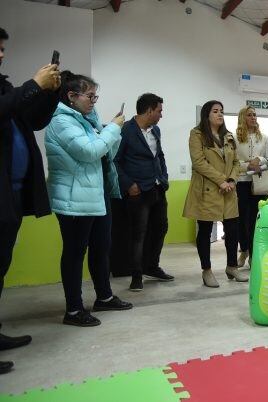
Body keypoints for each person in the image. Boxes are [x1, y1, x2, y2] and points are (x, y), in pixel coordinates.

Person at [45, 71, 133, 327]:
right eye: (90, 96)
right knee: (74, 254)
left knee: (101, 249)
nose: (94, 101)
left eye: (96, 96)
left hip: (97, 194)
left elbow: (106, 153)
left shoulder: (86, 120)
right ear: (72, 96)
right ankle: (73, 310)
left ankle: (104, 297)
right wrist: (114, 128)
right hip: (74, 200)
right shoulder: (61, 121)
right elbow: (89, 152)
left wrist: (109, 132)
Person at [0, 26, 61, 374]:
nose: (2, 54)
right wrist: (34, 84)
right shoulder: (10, 91)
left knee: (0, 269)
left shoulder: (6, 86)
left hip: (12, 194)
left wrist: (49, 92)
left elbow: (32, 120)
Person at [183, 100, 247, 288]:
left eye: (221, 111)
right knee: (204, 231)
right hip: (208, 189)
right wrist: (221, 180)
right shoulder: (197, 135)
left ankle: (232, 267)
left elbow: (236, 162)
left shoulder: (228, 136)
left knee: (232, 230)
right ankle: (207, 270)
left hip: (228, 190)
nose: (220, 114)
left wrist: (232, 180)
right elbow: (199, 162)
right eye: (215, 111)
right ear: (206, 115)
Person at [114, 93, 174, 292]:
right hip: (137, 191)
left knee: (161, 228)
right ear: (149, 110)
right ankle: (136, 275)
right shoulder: (125, 130)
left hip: (157, 187)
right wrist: (128, 184)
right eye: (159, 111)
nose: (161, 115)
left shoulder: (155, 130)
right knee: (138, 234)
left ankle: (152, 266)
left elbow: (160, 156)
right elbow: (115, 161)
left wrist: (164, 177)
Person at [232, 106, 268, 268]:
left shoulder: (263, 137)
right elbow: (232, 163)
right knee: (241, 220)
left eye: (255, 115)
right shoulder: (234, 138)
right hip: (241, 182)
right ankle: (244, 250)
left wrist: (260, 163)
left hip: (259, 183)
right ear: (243, 117)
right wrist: (247, 166)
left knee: (256, 220)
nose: (253, 117)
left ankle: (254, 253)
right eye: (249, 115)